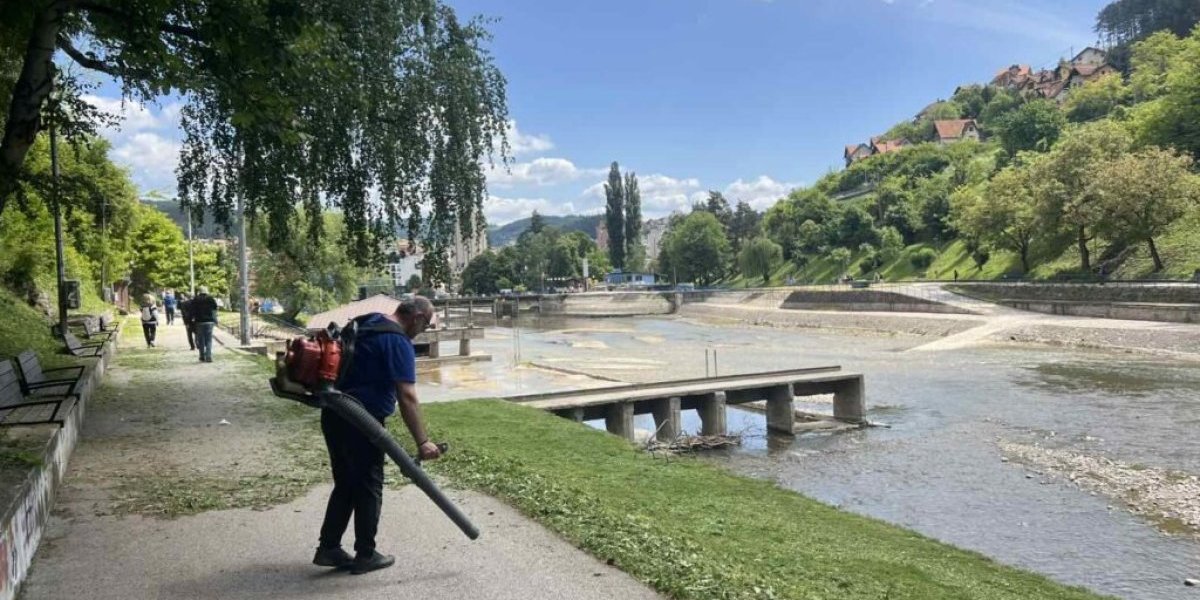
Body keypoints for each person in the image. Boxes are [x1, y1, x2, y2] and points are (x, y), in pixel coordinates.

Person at [313, 296, 442, 575]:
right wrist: (422, 441)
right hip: (363, 422)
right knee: (369, 484)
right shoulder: (398, 342)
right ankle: (366, 554)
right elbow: (407, 395)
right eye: (427, 324)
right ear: (417, 316)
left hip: (333, 414)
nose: (425, 330)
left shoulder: (368, 321)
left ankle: (329, 548)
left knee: (346, 483)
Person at [192, 286, 218, 362]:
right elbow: (214, 310)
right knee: (209, 339)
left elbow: (192, 311)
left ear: (199, 292)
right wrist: (215, 320)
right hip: (209, 322)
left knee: (201, 340)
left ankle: (202, 356)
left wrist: (191, 320)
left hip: (199, 322)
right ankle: (208, 355)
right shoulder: (211, 299)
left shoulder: (195, 299)